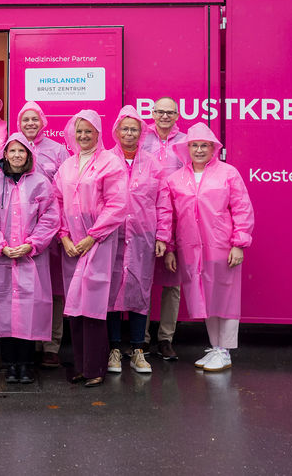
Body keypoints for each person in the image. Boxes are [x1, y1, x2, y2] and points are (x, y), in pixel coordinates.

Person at [156, 123, 254, 373]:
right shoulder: (175, 179)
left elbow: (242, 208)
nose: (199, 150)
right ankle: (215, 346)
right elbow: (169, 216)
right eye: (194, 145)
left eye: (204, 145)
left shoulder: (228, 173)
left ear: (213, 148)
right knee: (205, 298)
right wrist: (169, 248)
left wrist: (239, 243)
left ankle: (225, 350)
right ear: (186, 148)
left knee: (227, 297)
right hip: (190, 249)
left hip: (221, 246)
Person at [0, 134, 60, 384]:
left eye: (21, 151)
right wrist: (0, 246)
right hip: (2, 258)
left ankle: (25, 364)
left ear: (28, 155)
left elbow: (50, 217)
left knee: (27, 313)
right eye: (12, 151)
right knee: (4, 313)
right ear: (5, 154)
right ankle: (10, 365)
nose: (16, 155)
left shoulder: (41, 183)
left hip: (30, 259)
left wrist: (31, 244)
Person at [54, 109, 128, 388]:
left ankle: (95, 367)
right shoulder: (67, 166)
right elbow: (57, 203)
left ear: (98, 132)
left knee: (94, 304)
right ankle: (81, 365)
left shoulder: (111, 163)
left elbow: (117, 205)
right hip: (72, 245)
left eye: (89, 131)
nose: (83, 136)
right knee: (74, 305)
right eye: (79, 131)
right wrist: (65, 238)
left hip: (98, 242)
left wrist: (92, 236)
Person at [104, 106, 166, 375]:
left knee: (141, 292)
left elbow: (163, 202)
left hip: (142, 237)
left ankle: (139, 349)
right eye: (124, 128)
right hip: (112, 237)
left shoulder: (152, 163)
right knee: (111, 293)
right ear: (116, 131)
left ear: (141, 133)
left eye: (134, 129)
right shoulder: (105, 159)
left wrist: (163, 235)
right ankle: (114, 349)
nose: (128, 133)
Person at [15, 101, 70, 367]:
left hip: (52, 229)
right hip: (21, 231)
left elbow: (67, 189)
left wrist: (59, 229)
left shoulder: (58, 151)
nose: (30, 124)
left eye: (34, 120)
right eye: (25, 120)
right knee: (27, 287)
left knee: (54, 289)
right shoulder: (14, 149)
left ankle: (51, 344)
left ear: (43, 122)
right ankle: (29, 340)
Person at [141, 97, 188, 362]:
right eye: (160, 112)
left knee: (172, 283)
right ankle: (143, 339)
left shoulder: (185, 141)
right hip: (146, 214)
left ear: (177, 115)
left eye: (170, 113)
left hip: (177, 215)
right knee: (144, 279)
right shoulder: (142, 137)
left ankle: (166, 338)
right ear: (153, 113)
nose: (165, 117)